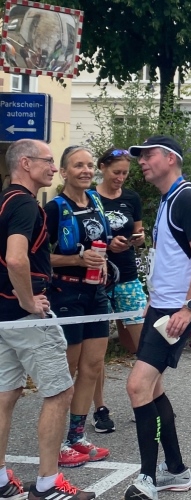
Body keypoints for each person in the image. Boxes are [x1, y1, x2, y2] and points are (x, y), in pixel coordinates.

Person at [0, 139, 94, 500]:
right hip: (26, 316)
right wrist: (28, 300)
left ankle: (0, 478)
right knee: (59, 392)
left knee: (6, 392)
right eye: (49, 161)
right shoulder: (26, 204)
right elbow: (16, 258)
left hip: (3, 316)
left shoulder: (4, 200)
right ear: (25, 163)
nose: (54, 168)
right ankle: (48, 483)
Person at [123, 136, 191, 499]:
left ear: (170, 158)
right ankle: (175, 470)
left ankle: (147, 479)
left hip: (178, 309)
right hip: (162, 306)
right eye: (140, 156)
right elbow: (170, 260)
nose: (142, 161)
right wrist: (153, 299)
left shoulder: (187, 198)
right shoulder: (167, 199)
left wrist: (187, 308)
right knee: (152, 387)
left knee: (137, 386)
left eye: (148, 155)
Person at [44, 146, 112, 468]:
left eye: (89, 165)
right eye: (78, 165)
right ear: (64, 172)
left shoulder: (96, 201)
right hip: (66, 292)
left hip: (95, 292)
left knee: (93, 366)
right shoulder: (54, 208)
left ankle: (77, 437)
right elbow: (39, 257)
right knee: (68, 369)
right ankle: (57, 444)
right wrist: (77, 260)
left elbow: (101, 243)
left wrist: (107, 255)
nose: (86, 171)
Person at [91, 147, 148, 434]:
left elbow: (140, 233)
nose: (120, 178)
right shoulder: (90, 198)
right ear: (102, 168)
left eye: (125, 173)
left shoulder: (131, 198)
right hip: (97, 279)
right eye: (116, 172)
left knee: (143, 344)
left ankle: (145, 401)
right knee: (96, 351)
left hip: (127, 276)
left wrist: (137, 239)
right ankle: (100, 408)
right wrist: (107, 244)